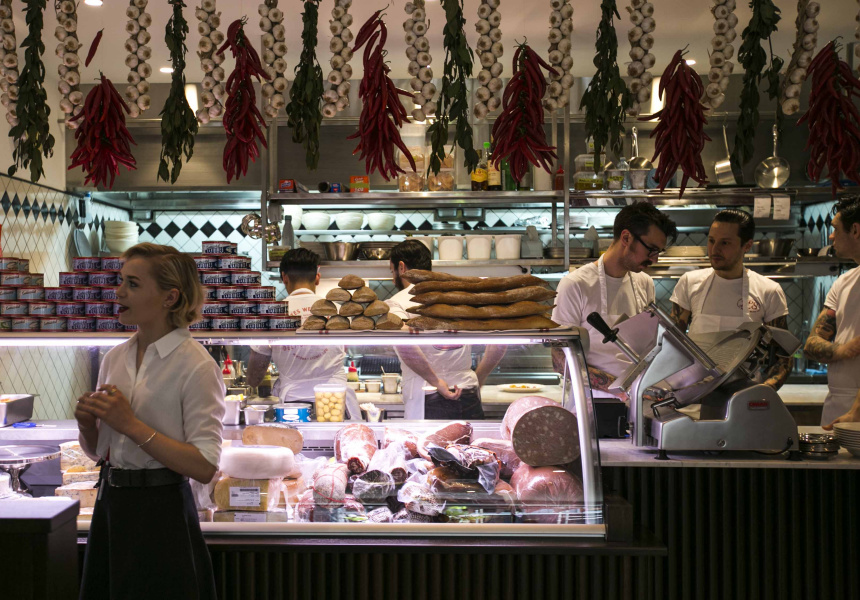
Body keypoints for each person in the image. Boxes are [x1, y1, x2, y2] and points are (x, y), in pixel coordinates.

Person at [76, 243, 224, 600]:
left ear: (170, 297)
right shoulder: (114, 358)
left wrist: (130, 424)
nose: (118, 292)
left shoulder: (197, 366)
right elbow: (100, 452)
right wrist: (86, 425)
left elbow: (205, 466)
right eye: (121, 281)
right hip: (111, 504)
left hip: (162, 509)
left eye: (133, 284)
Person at [551, 202, 678, 397]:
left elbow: (649, 350)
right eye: (651, 250)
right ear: (626, 238)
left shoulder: (644, 283)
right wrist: (622, 391)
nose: (655, 259)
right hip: (591, 403)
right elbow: (560, 360)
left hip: (637, 400)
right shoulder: (575, 285)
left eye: (658, 252)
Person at [668, 209, 791, 389]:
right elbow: (672, 342)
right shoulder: (690, 282)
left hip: (744, 392)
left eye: (725, 243)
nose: (715, 249)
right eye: (711, 240)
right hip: (693, 391)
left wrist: (764, 391)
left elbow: (784, 357)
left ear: (747, 246)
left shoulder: (769, 291)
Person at [386, 239, 506, 419]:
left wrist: (437, 382)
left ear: (401, 267)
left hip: (427, 395)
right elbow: (500, 343)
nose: (392, 277)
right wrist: (477, 378)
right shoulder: (457, 296)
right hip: (468, 391)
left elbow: (405, 346)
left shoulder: (396, 302)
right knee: (469, 439)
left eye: (392, 271)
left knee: (428, 440)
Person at [246, 248, 359, 418]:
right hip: (335, 402)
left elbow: (254, 377)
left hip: (292, 407)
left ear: (284, 277)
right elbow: (344, 350)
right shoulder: (338, 312)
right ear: (317, 278)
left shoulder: (271, 315)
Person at [803, 198, 860, 428]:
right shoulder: (844, 282)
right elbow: (811, 344)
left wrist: (857, 410)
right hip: (837, 402)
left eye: (835, 229)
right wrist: (844, 349)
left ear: (855, 230)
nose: (831, 236)